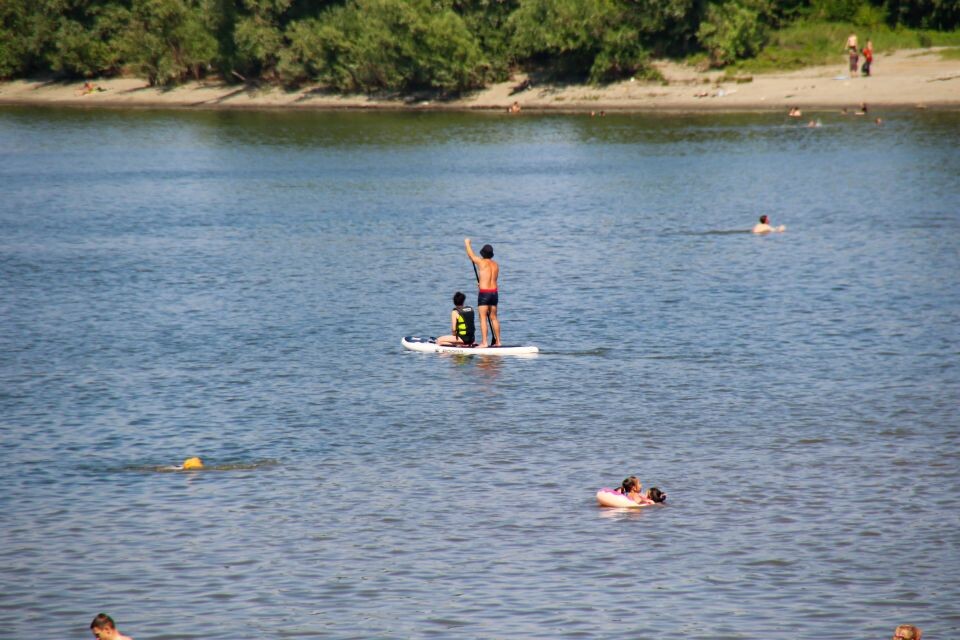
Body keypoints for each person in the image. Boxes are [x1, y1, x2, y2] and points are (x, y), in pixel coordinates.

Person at [464, 238, 500, 347]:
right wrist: (482, 282)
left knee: (483, 317)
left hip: (484, 294)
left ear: (483, 254)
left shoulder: (481, 262)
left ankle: (484, 342)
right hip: (494, 293)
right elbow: (491, 278)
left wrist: (467, 243)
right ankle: (498, 341)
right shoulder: (496, 265)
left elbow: (471, 255)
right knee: (493, 317)